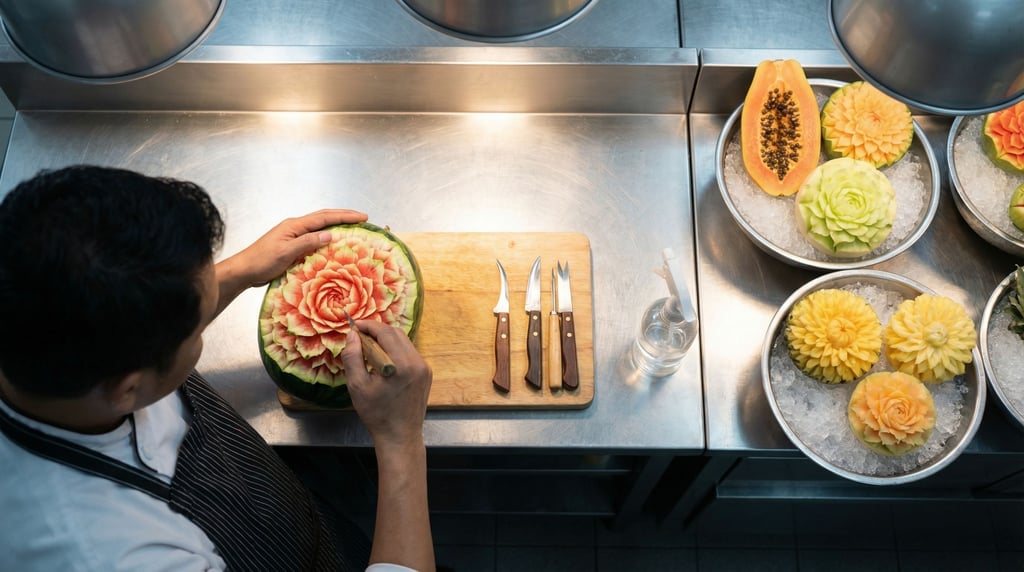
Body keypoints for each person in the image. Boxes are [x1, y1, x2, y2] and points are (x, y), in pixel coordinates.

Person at [0, 165, 434, 571]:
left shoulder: (37, 323)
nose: (202, 332)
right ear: (127, 390)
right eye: (196, 333)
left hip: (291, 515)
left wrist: (240, 271)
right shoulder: (122, 555)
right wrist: (400, 444)